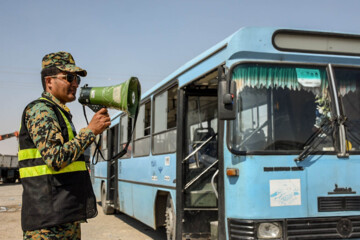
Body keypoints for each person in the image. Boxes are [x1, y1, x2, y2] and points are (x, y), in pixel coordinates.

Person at [18, 51, 111, 239]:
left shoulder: (58, 112)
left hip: (62, 217)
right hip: (47, 225)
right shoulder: (40, 110)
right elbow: (55, 158)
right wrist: (90, 131)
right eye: (69, 77)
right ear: (49, 81)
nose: (75, 83)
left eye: (76, 78)